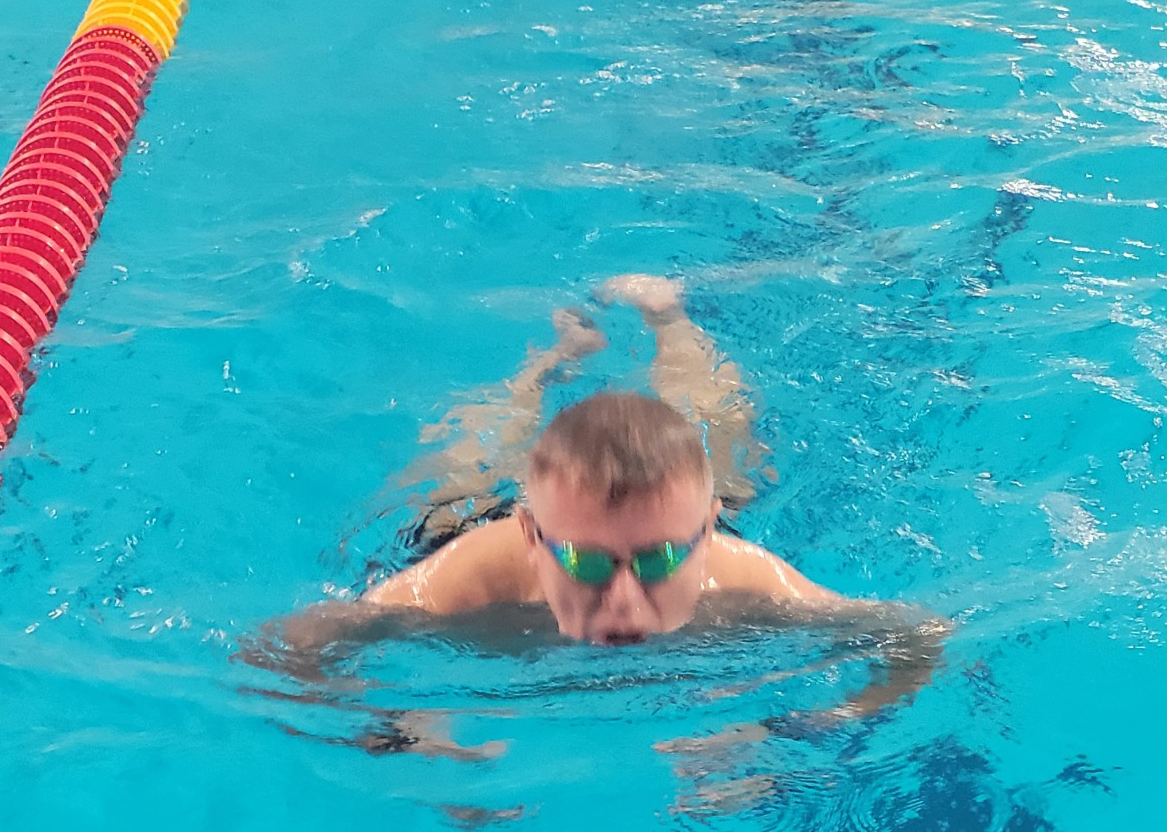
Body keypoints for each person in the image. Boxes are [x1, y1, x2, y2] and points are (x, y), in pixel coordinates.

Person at [254, 276, 946, 763]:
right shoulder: (460, 583)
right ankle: (549, 363)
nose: (623, 602)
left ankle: (667, 318)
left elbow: (918, 637)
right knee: (459, 477)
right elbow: (285, 649)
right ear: (531, 537)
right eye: (586, 564)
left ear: (706, 537)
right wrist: (400, 732)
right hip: (479, 523)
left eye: (657, 563)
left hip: (676, 514)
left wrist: (788, 730)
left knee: (723, 446)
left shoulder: (745, 579)